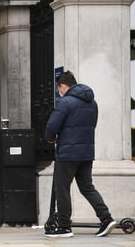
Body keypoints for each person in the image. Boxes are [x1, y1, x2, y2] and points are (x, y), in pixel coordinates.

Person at [44, 70, 117, 238]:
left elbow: (51, 126)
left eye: (59, 88)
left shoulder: (65, 102)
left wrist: (49, 139)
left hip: (68, 154)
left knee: (61, 188)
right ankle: (106, 218)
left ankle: (64, 227)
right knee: (86, 187)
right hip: (86, 152)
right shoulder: (93, 103)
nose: (59, 92)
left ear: (63, 86)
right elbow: (93, 125)